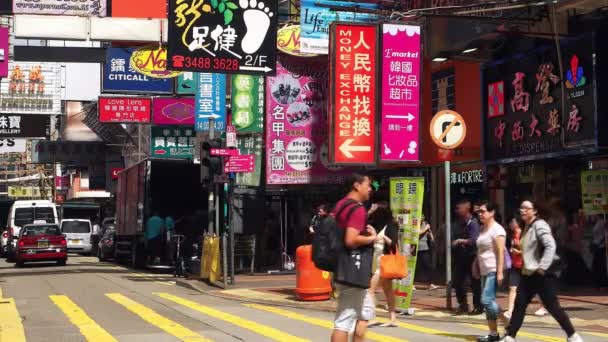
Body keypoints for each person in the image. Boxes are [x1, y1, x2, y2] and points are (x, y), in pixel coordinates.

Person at [500, 200, 583, 342]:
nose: (523, 210)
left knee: (553, 307)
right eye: (521, 208)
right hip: (528, 274)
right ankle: (510, 336)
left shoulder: (540, 225)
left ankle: (573, 335)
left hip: (541, 275)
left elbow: (550, 245)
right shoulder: (527, 226)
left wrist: (542, 267)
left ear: (535, 211)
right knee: (519, 305)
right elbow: (531, 249)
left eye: (527, 208)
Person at [331, 173, 376, 342]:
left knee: (365, 313)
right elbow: (351, 240)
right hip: (352, 270)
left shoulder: (340, 205)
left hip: (342, 266)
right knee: (344, 320)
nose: (370, 189)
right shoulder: (357, 209)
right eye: (368, 185)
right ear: (357, 185)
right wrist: (372, 238)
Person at [475, 201, 508, 342]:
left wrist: (500, 272)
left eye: (483, 211)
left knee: (486, 301)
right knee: (488, 305)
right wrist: (475, 264)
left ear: (492, 212)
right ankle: (493, 334)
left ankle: (508, 322)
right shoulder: (482, 229)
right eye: (479, 212)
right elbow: (480, 249)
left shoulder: (498, 230)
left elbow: (501, 252)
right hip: (483, 269)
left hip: (493, 270)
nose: (480, 214)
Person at [366, 201, 399, 327]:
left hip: (383, 262)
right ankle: (392, 318)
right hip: (377, 261)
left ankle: (372, 317)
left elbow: (393, 243)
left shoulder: (391, 225)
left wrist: (381, 237)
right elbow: (362, 224)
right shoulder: (378, 225)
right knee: (388, 291)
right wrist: (369, 213)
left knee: (370, 290)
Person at [452, 199, 483, 315]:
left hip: (472, 257)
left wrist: (461, 241)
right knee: (458, 281)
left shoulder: (473, 223)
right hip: (461, 257)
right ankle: (463, 304)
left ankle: (478, 306)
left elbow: (474, 240)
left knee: (475, 283)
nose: (457, 211)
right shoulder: (459, 223)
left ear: (466, 209)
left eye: (459, 208)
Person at [505, 217, 524, 319]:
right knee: (512, 287)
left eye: (513, 221)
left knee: (534, 288)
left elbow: (529, 250)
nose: (511, 224)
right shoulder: (512, 235)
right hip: (515, 264)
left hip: (524, 265)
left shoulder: (523, 234)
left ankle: (543, 306)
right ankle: (510, 310)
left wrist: (519, 252)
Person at [418, 214, 438, 290]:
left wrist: (431, 236)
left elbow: (429, 233)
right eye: (420, 216)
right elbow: (417, 233)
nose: (422, 218)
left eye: (422, 216)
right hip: (416, 248)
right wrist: (425, 229)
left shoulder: (425, 223)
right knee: (416, 268)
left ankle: (431, 283)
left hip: (425, 247)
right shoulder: (414, 223)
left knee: (429, 266)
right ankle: (411, 285)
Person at [591, 215, 608, 289]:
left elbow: (604, 235)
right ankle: (599, 283)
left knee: (600, 265)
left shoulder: (603, 222)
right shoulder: (597, 222)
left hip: (601, 246)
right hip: (597, 245)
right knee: (597, 265)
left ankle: (601, 283)